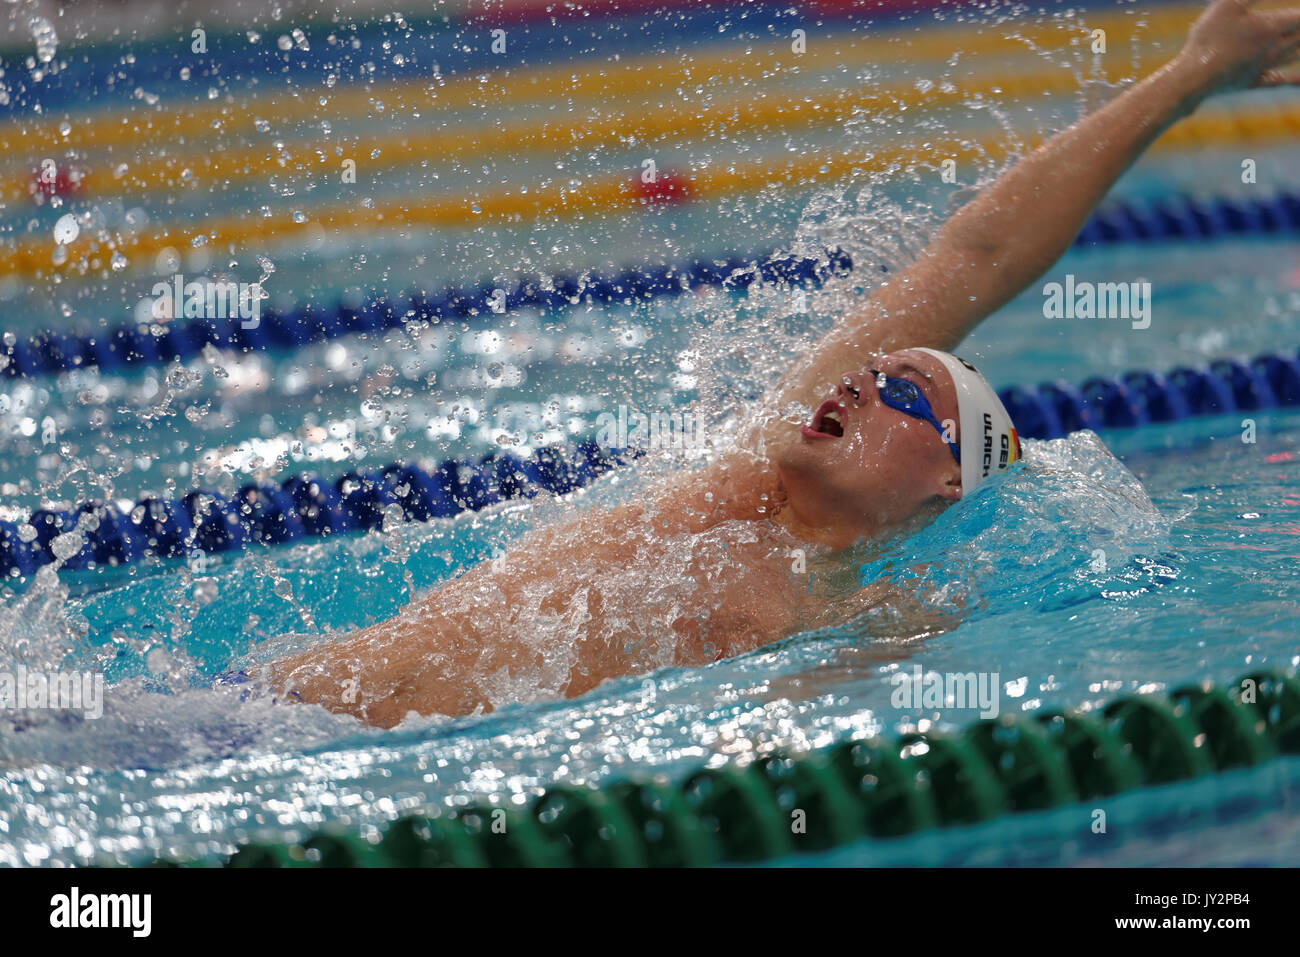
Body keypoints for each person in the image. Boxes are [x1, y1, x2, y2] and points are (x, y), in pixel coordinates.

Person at [264, 0, 1300, 727]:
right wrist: (1185, 77)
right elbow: (972, 256)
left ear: (952, 477)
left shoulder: (860, 621)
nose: (855, 379)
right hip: (264, 715)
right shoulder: (733, 494)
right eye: (872, 369)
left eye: (902, 391)